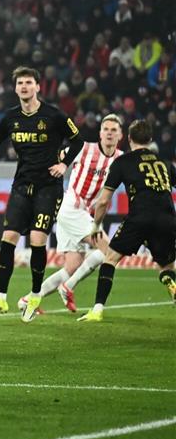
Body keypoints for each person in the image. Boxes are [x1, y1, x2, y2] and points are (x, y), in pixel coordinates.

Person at [0, 66, 83, 322]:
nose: (24, 87)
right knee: (8, 238)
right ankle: (1, 299)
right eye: (20, 83)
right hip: (21, 186)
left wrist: (64, 164)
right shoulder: (10, 117)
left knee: (38, 240)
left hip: (48, 187)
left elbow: (78, 141)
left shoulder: (54, 115)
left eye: (29, 83)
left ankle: (35, 296)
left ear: (38, 87)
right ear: (15, 88)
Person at [16, 114, 124, 315]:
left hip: (81, 213)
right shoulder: (84, 149)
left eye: (113, 130)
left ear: (120, 135)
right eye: (106, 129)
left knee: (73, 265)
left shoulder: (121, 158)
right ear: (100, 133)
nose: (109, 133)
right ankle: (68, 287)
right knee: (109, 251)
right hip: (72, 208)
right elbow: (55, 156)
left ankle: (28, 300)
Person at [78, 120, 176, 322]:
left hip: (139, 217)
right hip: (167, 217)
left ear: (129, 139)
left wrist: (96, 225)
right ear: (150, 139)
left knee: (111, 258)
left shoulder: (123, 162)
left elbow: (103, 201)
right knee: (167, 266)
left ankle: (97, 310)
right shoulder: (164, 162)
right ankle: (170, 281)